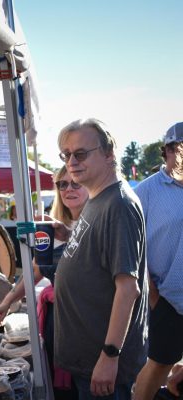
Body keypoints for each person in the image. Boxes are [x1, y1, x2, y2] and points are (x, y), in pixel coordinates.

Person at [53, 118, 148, 399]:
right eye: (66, 154)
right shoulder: (98, 198)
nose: (72, 161)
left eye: (80, 153)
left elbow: (128, 288)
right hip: (88, 362)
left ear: (109, 154)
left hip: (103, 365)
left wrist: (109, 355)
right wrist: (69, 232)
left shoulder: (119, 204)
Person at [0, 166, 88, 399]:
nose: (68, 188)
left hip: (85, 324)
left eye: (75, 183)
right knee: (63, 390)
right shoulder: (50, 228)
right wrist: (7, 301)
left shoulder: (98, 220)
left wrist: (70, 234)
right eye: (62, 184)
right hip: (56, 323)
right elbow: (35, 271)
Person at [133, 122, 183, 400]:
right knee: (158, 365)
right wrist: (153, 296)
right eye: (177, 150)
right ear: (165, 152)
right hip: (165, 298)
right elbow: (133, 247)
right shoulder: (145, 192)